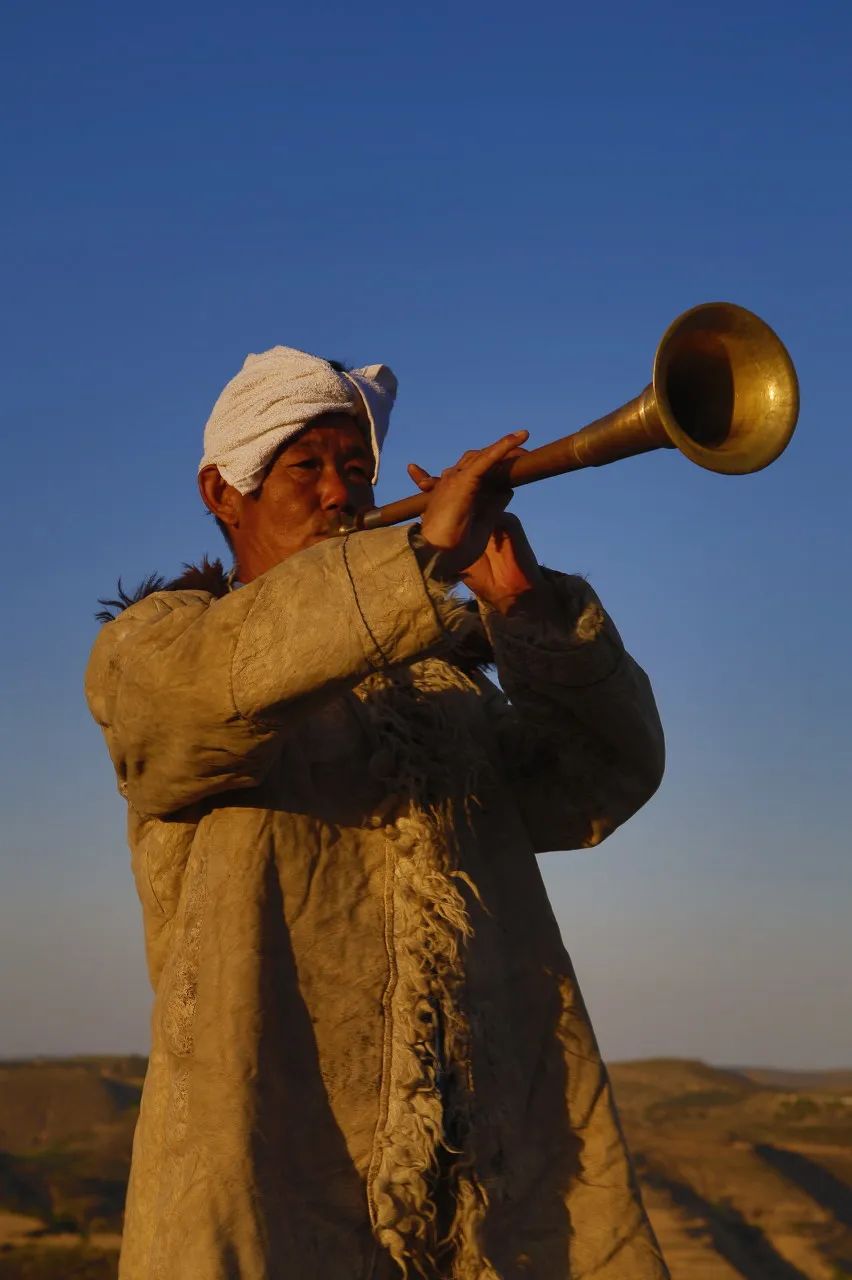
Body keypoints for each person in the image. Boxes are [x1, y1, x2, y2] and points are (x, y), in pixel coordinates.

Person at [86, 345, 669, 1280]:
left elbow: (599, 782)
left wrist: (521, 609)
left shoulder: (445, 694)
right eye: (304, 467)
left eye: (356, 469)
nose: (339, 496)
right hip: (275, 1178)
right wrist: (425, 553)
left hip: (492, 1199)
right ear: (221, 492)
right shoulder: (158, 647)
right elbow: (202, 703)